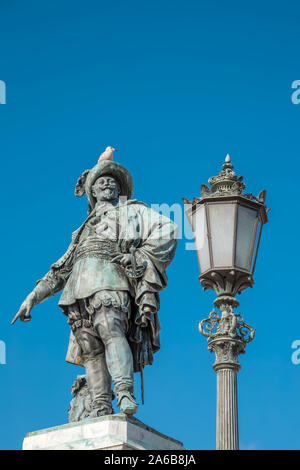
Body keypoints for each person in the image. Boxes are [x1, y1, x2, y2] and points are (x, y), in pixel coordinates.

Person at [12, 159, 177, 417]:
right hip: (78, 289)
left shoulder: (132, 212)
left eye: (113, 180)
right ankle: (101, 404)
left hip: (111, 280)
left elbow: (168, 229)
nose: (108, 183)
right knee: (90, 348)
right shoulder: (81, 230)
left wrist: (140, 256)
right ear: (93, 191)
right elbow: (61, 270)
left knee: (111, 329)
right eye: (101, 181)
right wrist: (32, 298)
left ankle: (123, 392)